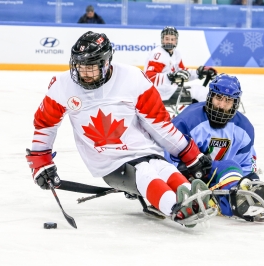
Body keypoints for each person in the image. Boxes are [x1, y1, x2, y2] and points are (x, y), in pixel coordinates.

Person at [25, 31, 216, 228]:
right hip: (110, 160)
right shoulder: (63, 85)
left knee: (163, 167)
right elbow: (45, 123)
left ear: (106, 63)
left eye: (91, 68)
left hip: (143, 149)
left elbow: (160, 124)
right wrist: (41, 161)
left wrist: (190, 155)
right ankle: (174, 208)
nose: (84, 73)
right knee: (144, 172)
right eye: (80, 66)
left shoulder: (133, 78)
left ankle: (194, 197)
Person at [165, 74, 264, 222]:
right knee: (229, 166)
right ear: (210, 97)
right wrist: (179, 169)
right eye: (218, 98)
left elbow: (245, 162)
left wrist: (248, 180)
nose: (222, 105)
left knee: (238, 172)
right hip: (189, 177)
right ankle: (234, 204)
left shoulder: (244, 128)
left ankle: (232, 198)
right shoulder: (187, 120)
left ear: (235, 103)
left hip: (221, 180)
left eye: (228, 100)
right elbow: (166, 153)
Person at [143, 26, 217, 105]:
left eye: (172, 39)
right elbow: (149, 77)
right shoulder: (158, 54)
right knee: (202, 93)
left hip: (170, 90)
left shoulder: (176, 53)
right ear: (162, 40)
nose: (170, 42)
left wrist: (198, 73)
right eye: (167, 39)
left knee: (201, 92)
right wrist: (170, 76)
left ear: (176, 41)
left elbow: (183, 72)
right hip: (159, 94)